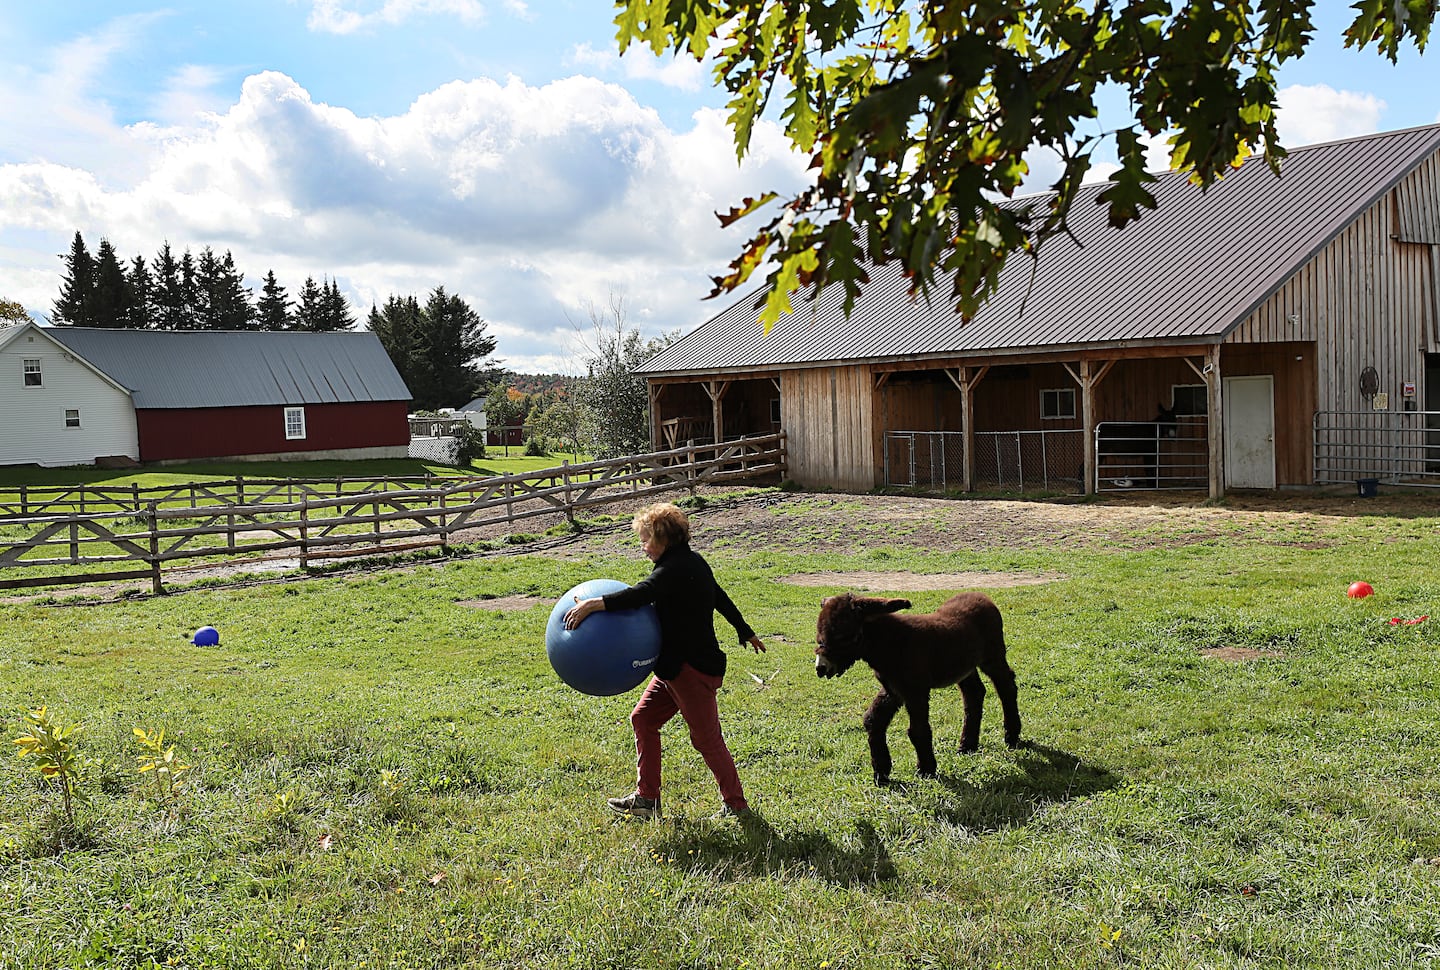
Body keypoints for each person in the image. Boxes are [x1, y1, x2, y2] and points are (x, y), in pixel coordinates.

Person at [564, 501, 765, 820]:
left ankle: (737, 806)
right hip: (673, 668)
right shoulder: (690, 562)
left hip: (691, 670)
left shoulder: (676, 568)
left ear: (663, 538)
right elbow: (719, 595)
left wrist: (592, 605)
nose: (643, 547)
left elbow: (641, 594)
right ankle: (647, 801)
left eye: (646, 540)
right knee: (643, 719)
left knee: (706, 740)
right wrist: (745, 631)